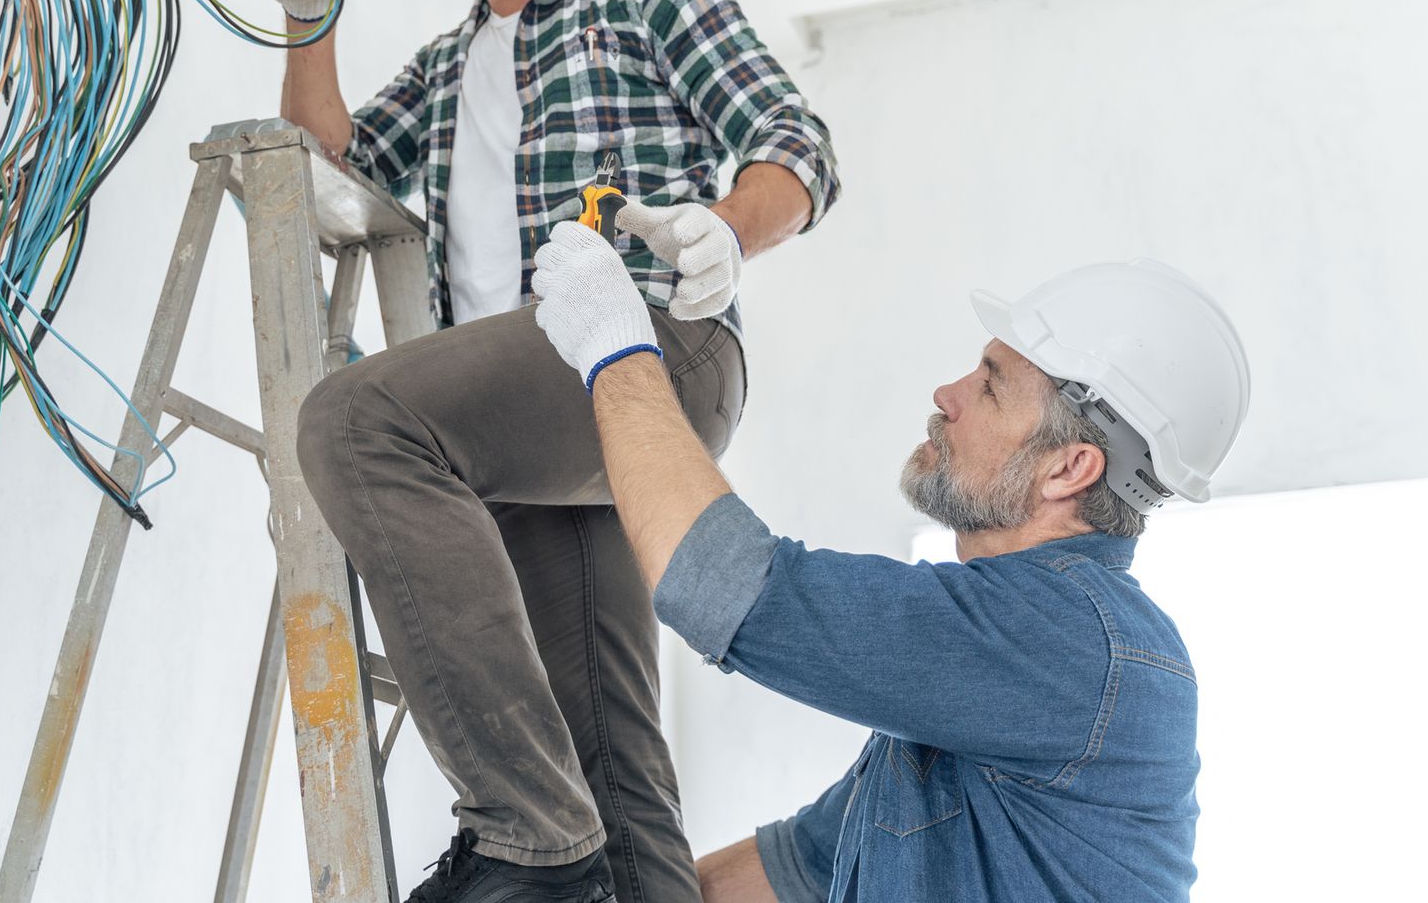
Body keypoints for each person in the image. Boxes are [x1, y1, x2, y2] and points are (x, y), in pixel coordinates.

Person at [264, 0, 842, 903]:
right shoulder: (443, 72)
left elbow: (796, 141)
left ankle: (524, 832)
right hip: (516, 431)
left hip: (642, 351)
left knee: (358, 419)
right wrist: (307, 17)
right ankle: (577, 846)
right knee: (611, 759)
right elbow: (319, 165)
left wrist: (727, 228)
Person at [529, 233, 1252, 903]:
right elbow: (796, 872)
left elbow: (722, 582)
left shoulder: (1071, 641)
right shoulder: (984, 690)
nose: (948, 395)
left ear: (1069, 468)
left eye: (991, 386)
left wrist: (616, 348)